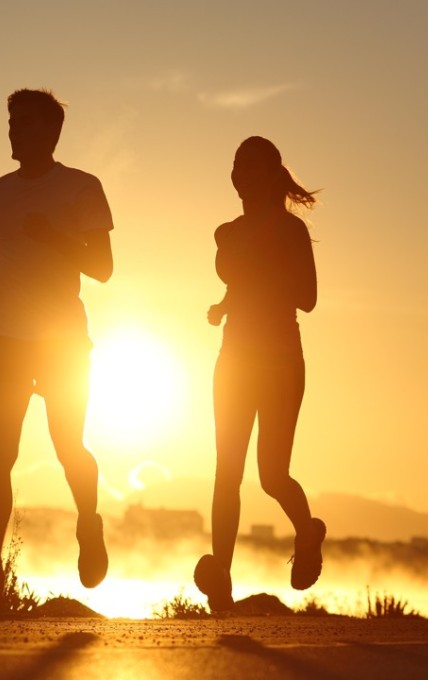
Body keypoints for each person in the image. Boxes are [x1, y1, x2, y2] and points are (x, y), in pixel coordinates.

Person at [0, 88, 114, 606]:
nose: (13, 130)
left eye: (23, 123)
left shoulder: (82, 187)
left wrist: (55, 236)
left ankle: (89, 526)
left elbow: (103, 268)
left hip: (61, 340)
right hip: (3, 335)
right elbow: (12, 252)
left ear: (50, 133)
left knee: (68, 447)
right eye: (10, 121)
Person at [194, 136, 325, 612]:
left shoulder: (290, 232)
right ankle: (221, 587)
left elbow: (307, 298)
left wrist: (259, 266)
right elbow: (241, 285)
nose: (238, 173)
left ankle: (308, 533)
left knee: (271, 476)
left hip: (281, 363)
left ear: (271, 174)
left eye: (248, 165)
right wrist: (223, 305)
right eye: (234, 165)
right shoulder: (226, 232)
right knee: (226, 472)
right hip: (233, 361)